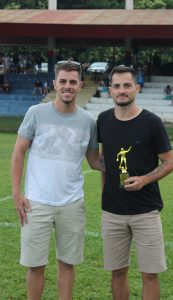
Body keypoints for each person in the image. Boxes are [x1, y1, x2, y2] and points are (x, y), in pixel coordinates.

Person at [11, 61, 104, 300]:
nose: (67, 86)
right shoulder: (36, 113)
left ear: (80, 85)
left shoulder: (88, 122)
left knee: (67, 263)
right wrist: (17, 193)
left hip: (72, 203)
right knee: (35, 265)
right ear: (54, 84)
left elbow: (95, 161)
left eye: (73, 82)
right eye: (62, 81)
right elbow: (19, 152)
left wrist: (129, 163)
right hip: (36, 202)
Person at [97, 65, 173, 300]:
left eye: (127, 85)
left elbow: (169, 162)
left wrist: (145, 179)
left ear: (137, 88)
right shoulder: (103, 120)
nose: (122, 91)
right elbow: (103, 162)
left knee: (150, 274)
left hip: (146, 211)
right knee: (118, 272)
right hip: (112, 212)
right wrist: (105, 195)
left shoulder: (152, 122)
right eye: (117, 86)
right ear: (110, 90)